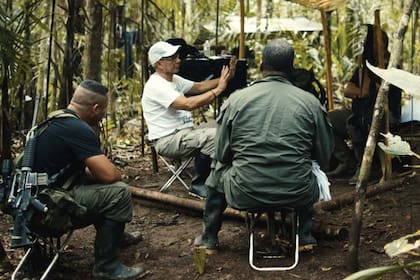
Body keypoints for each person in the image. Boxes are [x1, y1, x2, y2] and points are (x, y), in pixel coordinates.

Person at [193, 38, 334, 253]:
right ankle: (304, 237)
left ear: (261, 67)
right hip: (297, 191)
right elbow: (324, 155)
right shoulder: (310, 103)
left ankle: (209, 239)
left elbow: (221, 152)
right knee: (309, 168)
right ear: (292, 68)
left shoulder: (236, 100)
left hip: (244, 192)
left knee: (218, 169)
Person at [33, 80, 145, 279]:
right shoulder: (78, 129)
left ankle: (115, 237)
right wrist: (113, 174)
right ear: (95, 108)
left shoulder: (53, 120)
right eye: (103, 111)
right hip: (49, 212)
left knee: (99, 186)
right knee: (119, 193)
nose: (103, 115)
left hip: (34, 206)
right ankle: (106, 266)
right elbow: (110, 175)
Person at [142, 41, 236, 198]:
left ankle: (222, 177)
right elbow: (187, 104)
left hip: (185, 132)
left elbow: (199, 87)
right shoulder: (156, 85)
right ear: (159, 63)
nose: (178, 60)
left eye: (177, 57)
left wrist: (225, 78)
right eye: (172, 58)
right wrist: (218, 90)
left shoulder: (174, 79)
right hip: (168, 140)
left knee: (225, 125)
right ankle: (198, 184)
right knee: (214, 136)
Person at [328, 24, 401, 184]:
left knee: (361, 122)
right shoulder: (364, 65)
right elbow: (348, 90)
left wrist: (363, 87)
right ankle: (347, 161)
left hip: (386, 115)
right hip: (359, 111)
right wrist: (361, 88)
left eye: (374, 43)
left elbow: (370, 91)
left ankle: (368, 167)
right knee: (328, 119)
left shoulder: (391, 65)